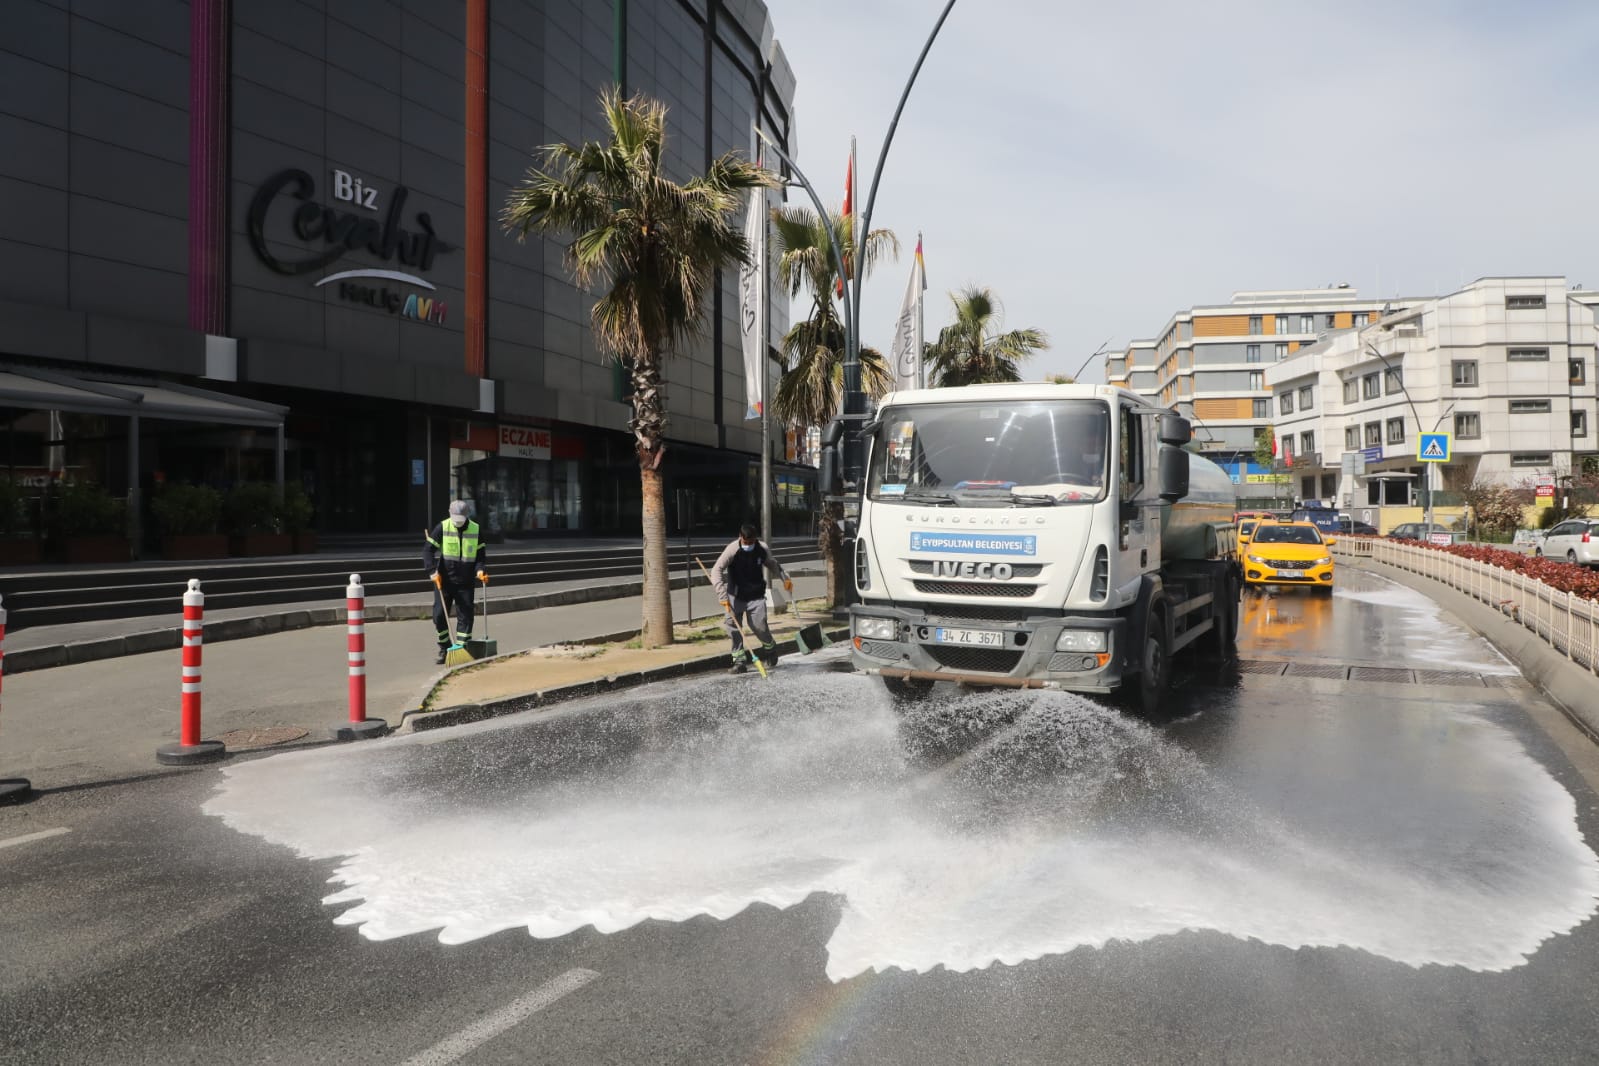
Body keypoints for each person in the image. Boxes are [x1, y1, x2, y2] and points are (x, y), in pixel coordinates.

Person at [710, 523, 793, 674]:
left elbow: (773, 564)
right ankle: (739, 661)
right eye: (746, 542)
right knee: (733, 628)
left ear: (755, 538)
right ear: (740, 537)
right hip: (735, 597)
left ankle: (770, 649)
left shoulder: (761, 548)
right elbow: (716, 570)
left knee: (759, 626)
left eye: (751, 542)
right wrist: (722, 595)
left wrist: (784, 578)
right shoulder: (732, 549)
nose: (748, 545)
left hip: (756, 596)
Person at [424, 500, 487, 664]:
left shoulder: (476, 529)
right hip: (443, 580)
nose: (458, 522)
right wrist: (432, 571)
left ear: (467, 516)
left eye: (461, 519)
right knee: (439, 615)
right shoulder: (443, 527)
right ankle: (445, 647)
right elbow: (428, 550)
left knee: (465, 617)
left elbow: (480, 556)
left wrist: (480, 571)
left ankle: (461, 650)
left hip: (465, 582)